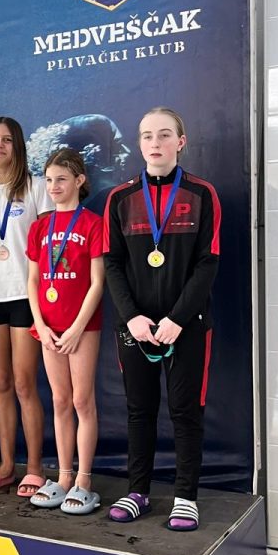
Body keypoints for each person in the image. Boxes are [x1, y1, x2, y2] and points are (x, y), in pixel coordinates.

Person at [104, 107, 220, 531]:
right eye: (147, 135)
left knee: (186, 411)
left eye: (165, 134)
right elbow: (112, 263)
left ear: (180, 142)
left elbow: (208, 262)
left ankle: (185, 496)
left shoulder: (202, 194)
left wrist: (177, 318)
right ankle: (138, 491)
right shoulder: (120, 198)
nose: (155, 142)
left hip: (187, 324)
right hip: (135, 327)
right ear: (139, 144)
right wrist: (132, 317)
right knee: (140, 410)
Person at [0, 117, 53, 494]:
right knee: (1, 382)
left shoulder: (36, 188)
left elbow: (51, 244)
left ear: (18, 146)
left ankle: (34, 467)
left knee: (23, 383)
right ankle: (5, 465)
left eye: (6, 140)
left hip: (25, 296)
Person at [26, 149, 105, 513]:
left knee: (81, 400)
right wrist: (40, 325)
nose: (54, 186)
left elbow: (98, 282)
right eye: (49, 179)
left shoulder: (92, 223)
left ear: (79, 180)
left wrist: (76, 328)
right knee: (59, 400)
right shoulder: (40, 227)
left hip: (81, 327)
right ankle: (63, 477)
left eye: (61, 179)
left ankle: (84, 481)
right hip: (48, 327)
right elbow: (33, 281)